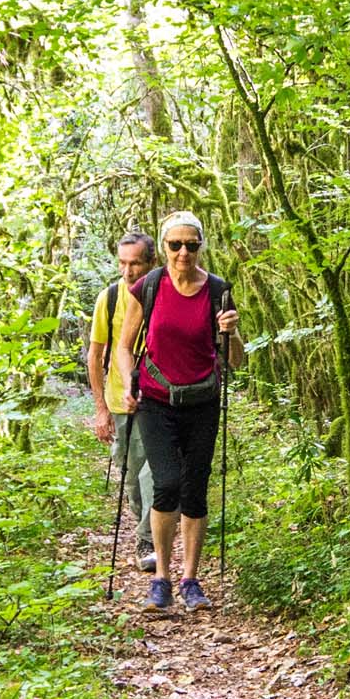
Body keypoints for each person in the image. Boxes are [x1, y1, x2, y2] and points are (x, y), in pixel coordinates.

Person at [114, 210, 245, 612]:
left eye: (192, 244)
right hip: (156, 400)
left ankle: (190, 579)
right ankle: (161, 579)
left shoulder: (218, 290)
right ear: (165, 246)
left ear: (202, 246)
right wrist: (127, 382)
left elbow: (237, 361)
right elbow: (124, 345)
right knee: (167, 482)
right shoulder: (148, 287)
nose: (183, 252)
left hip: (202, 401)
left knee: (195, 489)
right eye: (175, 244)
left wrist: (232, 332)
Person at [87, 231, 158, 571]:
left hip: (158, 398)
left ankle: (148, 537)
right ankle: (144, 523)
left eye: (136, 264)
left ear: (151, 262)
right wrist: (101, 408)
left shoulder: (163, 293)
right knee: (131, 473)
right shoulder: (111, 297)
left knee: (154, 471)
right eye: (123, 263)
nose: (128, 271)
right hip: (120, 400)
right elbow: (95, 353)